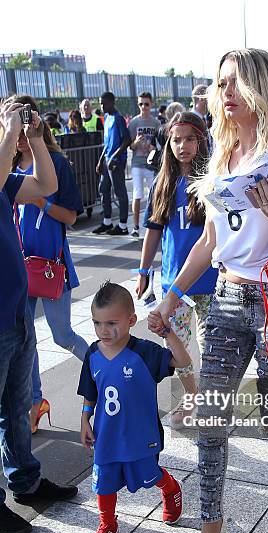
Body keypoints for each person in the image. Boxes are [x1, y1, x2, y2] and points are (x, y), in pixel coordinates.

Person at [148, 48, 268, 533]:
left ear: (262, 88)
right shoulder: (220, 155)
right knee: (212, 420)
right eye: (222, 83)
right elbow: (208, 239)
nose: (226, 93)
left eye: (237, 83)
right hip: (224, 298)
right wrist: (172, 295)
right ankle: (211, 525)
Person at [0, 98, 78, 533]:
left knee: (16, 406)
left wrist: (33, 138)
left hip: (15, 311)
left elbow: (46, 185)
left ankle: (26, 481)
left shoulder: (7, 179)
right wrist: (10, 135)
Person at [78, 282, 190, 533]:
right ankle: (107, 525)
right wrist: (85, 420)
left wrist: (167, 333)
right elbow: (90, 393)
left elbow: (182, 360)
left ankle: (170, 488)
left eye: (111, 323)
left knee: (149, 475)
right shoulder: (93, 354)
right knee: (103, 482)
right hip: (106, 436)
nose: (103, 330)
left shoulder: (144, 353)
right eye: (97, 323)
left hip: (140, 435)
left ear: (131, 321)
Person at [12, 95, 89, 434]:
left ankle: (104, 371)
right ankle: (35, 402)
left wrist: (40, 198)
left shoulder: (55, 164)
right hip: (16, 268)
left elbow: (71, 216)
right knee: (25, 339)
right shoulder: (7, 163)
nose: (15, 128)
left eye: (23, 118)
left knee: (62, 335)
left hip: (48, 268)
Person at [136, 111, 218, 425]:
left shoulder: (211, 178)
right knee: (177, 346)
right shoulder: (164, 182)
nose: (182, 146)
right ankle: (190, 396)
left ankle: (212, 401)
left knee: (211, 346)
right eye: (176, 139)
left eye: (189, 139)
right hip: (174, 284)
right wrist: (144, 272)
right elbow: (153, 231)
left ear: (201, 141)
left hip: (210, 280)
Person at [92, 92, 131, 236]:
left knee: (120, 192)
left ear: (112, 103)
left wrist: (114, 157)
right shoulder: (107, 118)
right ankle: (107, 222)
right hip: (107, 160)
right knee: (103, 189)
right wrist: (101, 159)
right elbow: (107, 142)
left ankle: (123, 225)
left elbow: (127, 140)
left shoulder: (118, 118)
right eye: (101, 103)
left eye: (104, 103)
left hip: (116, 162)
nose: (102, 106)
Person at [128, 92, 161, 238]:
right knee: (137, 193)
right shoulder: (134, 122)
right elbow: (130, 145)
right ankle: (135, 227)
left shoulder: (155, 123)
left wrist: (150, 146)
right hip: (137, 162)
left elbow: (159, 145)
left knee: (154, 194)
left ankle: (154, 223)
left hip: (151, 163)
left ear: (151, 104)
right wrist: (136, 142)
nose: (143, 107)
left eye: (146, 104)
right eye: (141, 104)